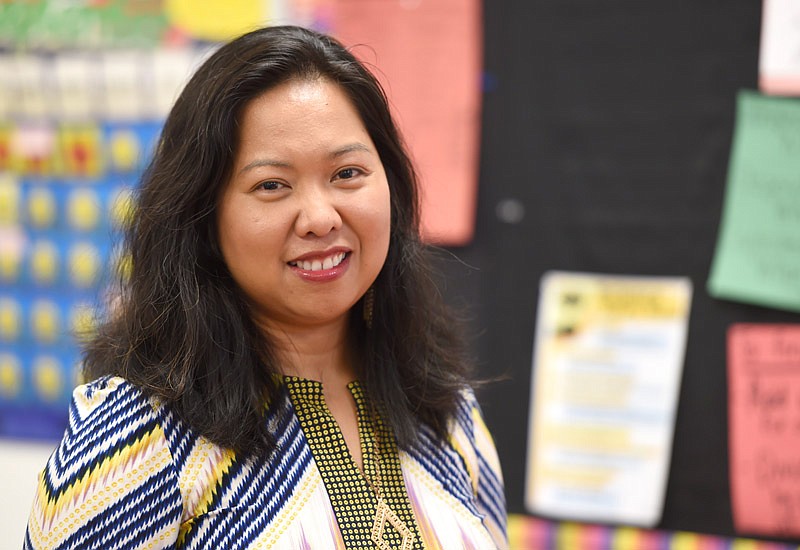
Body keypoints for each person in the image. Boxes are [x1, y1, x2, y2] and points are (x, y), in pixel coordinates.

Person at [24, 25, 506, 550]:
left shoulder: (446, 413)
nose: (320, 218)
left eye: (347, 173)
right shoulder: (136, 437)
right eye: (271, 185)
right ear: (204, 217)